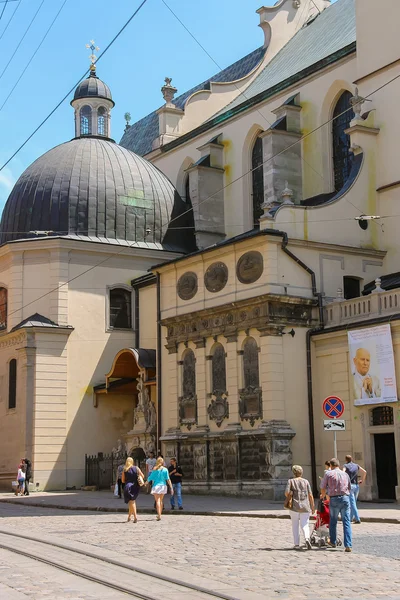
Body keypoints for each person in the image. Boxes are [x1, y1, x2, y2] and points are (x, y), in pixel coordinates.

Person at [320, 458, 352, 552]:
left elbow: (322, 487)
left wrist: (324, 495)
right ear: (338, 465)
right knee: (346, 522)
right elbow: (349, 488)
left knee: (333, 521)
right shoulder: (345, 474)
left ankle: (333, 541)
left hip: (334, 499)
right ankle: (348, 545)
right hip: (345, 498)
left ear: (331, 465)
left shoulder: (328, 474)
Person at [285, 465, 315, 550]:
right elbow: (310, 495)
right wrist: (313, 507)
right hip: (305, 506)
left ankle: (296, 544)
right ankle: (306, 538)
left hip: (294, 506)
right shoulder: (306, 481)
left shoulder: (290, 481)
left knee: (295, 524)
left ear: (294, 473)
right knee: (305, 524)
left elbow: (287, 493)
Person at [148, 456, 173, 521]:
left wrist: (145, 482)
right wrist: (171, 487)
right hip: (163, 486)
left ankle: (159, 515)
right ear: (162, 462)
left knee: (157, 501)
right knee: (161, 500)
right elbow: (168, 479)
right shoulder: (165, 470)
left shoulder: (155, 469)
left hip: (156, 486)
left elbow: (151, 477)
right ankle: (160, 514)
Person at [343, 454, 367, 524]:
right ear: (352, 459)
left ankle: (357, 518)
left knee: (352, 504)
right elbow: (365, 472)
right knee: (353, 503)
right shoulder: (356, 465)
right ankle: (350, 518)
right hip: (356, 485)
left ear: (346, 460)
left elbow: (343, 472)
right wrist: (362, 480)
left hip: (350, 486)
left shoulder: (345, 466)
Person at [122, 457, 144, 523]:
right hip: (135, 486)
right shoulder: (136, 468)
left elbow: (123, 480)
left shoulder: (125, 470)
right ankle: (129, 517)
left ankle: (135, 517)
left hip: (128, 486)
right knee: (131, 502)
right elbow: (142, 476)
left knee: (132, 502)